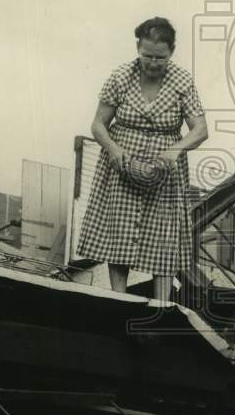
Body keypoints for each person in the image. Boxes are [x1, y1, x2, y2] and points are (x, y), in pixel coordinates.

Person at [76, 17, 208, 301]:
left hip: (164, 171)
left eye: (160, 58)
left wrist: (174, 151)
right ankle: (120, 301)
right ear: (138, 48)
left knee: (163, 237)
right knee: (120, 233)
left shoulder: (182, 81)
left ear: (171, 52)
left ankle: (160, 306)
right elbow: (98, 124)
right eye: (147, 55)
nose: (152, 63)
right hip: (122, 165)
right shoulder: (120, 77)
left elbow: (200, 130)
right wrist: (113, 149)